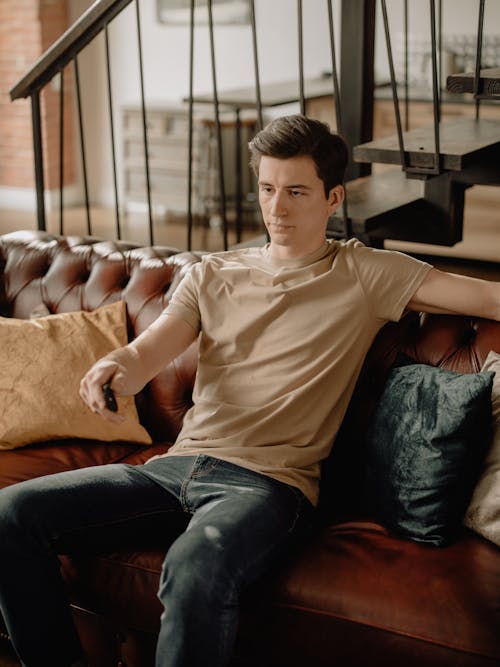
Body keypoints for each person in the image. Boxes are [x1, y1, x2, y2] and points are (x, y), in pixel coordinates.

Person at [0, 115, 499, 667]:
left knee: (194, 567)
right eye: (266, 189)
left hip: (267, 486)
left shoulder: (365, 273)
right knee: (11, 514)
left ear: (332, 198)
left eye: (296, 191)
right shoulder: (213, 274)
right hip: (174, 468)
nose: (276, 208)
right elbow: (150, 352)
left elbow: (487, 299)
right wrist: (116, 366)